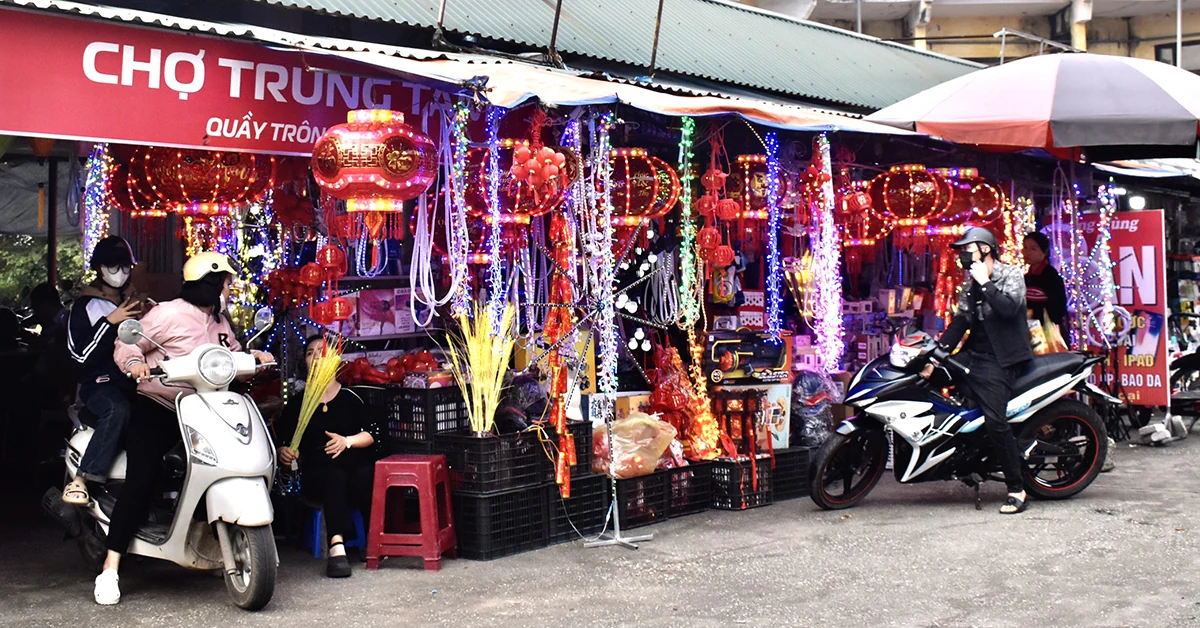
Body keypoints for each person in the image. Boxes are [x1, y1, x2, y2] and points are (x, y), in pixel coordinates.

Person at [94, 252, 273, 606]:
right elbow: (129, 341)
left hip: (206, 408)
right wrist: (134, 365)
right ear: (211, 284)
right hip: (161, 406)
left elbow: (229, 354)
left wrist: (253, 358)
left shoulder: (219, 322)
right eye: (226, 283)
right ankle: (110, 568)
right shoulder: (168, 313)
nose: (229, 289)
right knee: (142, 475)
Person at [924, 227, 1034, 515]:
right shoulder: (968, 284)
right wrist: (935, 356)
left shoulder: (1011, 275)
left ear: (985, 249)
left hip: (1004, 360)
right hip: (975, 355)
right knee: (935, 385)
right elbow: (960, 322)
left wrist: (985, 283)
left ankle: (1016, 488)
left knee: (996, 420)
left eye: (968, 249)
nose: (962, 255)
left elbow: (1009, 309)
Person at [275, 335, 383, 578]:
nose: (316, 357)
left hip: (353, 472)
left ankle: (370, 540)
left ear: (335, 360)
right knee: (333, 475)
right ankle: (337, 545)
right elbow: (283, 443)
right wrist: (285, 452)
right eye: (310, 352)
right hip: (317, 475)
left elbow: (373, 434)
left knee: (363, 472)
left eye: (322, 352)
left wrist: (347, 442)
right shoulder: (296, 404)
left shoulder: (351, 398)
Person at [62, 236, 142, 505]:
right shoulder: (84, 307)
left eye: (125, 268)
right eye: (113, 267)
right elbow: (79, 357)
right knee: (117, 409)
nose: (120, 274)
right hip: (99, 386)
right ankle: (84, 477)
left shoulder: (136, 304)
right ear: (99, 269)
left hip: (137, 383)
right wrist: (110, 323)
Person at [1022, 232, 1068, 331]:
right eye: (1025, 247)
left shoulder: (1052, 277)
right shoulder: (1025, 277)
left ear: (1044, 252)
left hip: (1047, 333)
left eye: (1033, 249)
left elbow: (1060, 311)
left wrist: (1035, 312)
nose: (1027, 252)